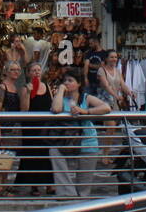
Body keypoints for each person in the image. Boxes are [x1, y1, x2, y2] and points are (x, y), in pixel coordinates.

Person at [50, 69, 110, 198]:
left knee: (84, 186)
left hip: (87, 141)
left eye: (70, 80)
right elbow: (56, 109)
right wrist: (60, 90)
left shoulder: (86, 98)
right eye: (65, 80)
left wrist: (85, 112)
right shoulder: (61, 98)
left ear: (78, 84)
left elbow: (106, 107)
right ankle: (67, 194)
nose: (66, 83)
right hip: (67, 141)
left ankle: (80, 206)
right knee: (54, 151)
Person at [17, 61, 54, 195]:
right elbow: (24, 109)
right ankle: (34, 185)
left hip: (45, 126)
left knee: (47, 155)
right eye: (34, 70)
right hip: (31, 126)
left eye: (39, 70)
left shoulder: (47, 86)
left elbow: (51, 104)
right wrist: (29, 92)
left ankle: (50, 184)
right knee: (32, 155)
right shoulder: (25, 88)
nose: (37, 72)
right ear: (29, 73)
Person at [0, 60, 24, 196]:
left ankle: (4, 186)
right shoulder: (3, 87)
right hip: (4, 127)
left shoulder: (15, 87)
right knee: (0, 159)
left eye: (17, 70)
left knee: (7, 158)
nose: (15, 72)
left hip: (12, 128)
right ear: (7, 71)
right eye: (13, 70)